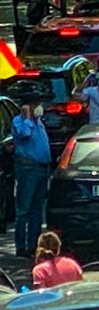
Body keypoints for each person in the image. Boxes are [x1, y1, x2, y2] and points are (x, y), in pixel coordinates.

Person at [12, 103, 51, 258]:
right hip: (28, 169)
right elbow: (24, 134)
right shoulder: (19, 121)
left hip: (42, 169)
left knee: (37, 210)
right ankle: (21, 247)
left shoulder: (39, 122)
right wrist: (27, 117)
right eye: (35, 105)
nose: (39, 108)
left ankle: (33, 246)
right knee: (24, 209)